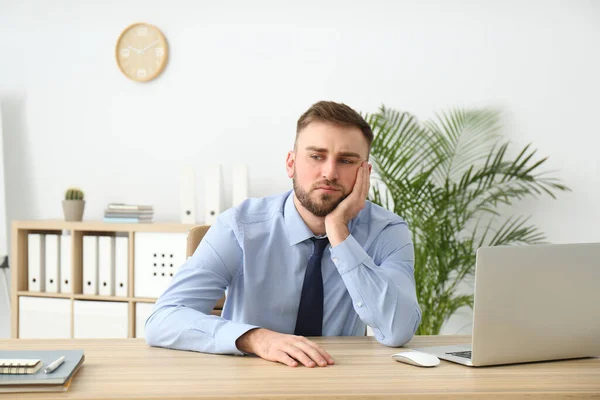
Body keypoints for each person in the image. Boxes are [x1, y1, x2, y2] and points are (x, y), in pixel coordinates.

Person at [145, 101, 421, 368]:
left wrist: (339, 232)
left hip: (338, 377)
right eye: (316, 156)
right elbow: (163, 320)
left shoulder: (387, 230)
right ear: (291, 163)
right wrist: (256, 338)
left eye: (346, 160)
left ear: (365, 172)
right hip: (248, 379)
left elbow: (397, 330)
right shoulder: (239, 226)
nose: (330, 172)